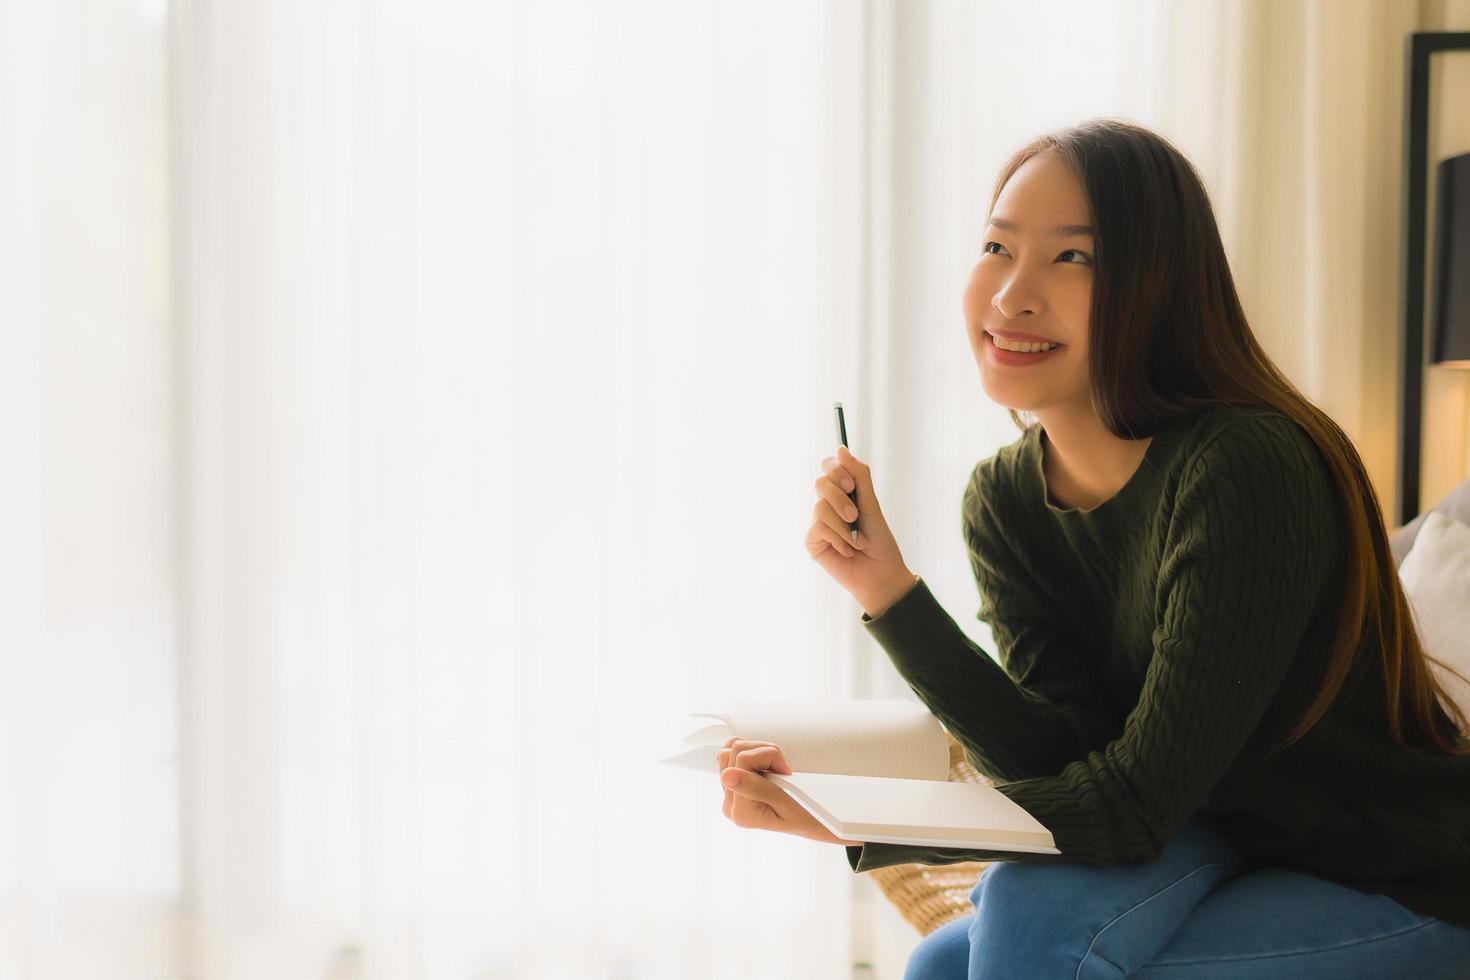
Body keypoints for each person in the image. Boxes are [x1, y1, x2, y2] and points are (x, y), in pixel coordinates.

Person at [714, 118, 1470, 978]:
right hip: (1222, 835)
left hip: (1394, 871)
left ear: (1161, 288)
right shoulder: (1004, 499)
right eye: (998, 246)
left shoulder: (1246, 468)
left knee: (1020, 953)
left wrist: (860, 820)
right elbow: (1058, 757)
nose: (1011, 296)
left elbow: (1133, 805)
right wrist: (886, 590)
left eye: (1072, 258)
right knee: (946, 961)